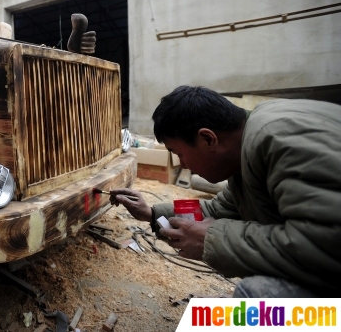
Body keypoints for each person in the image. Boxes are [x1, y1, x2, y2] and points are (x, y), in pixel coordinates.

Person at [111, 86, 341, 297]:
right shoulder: (247, 148)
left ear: (208, 139)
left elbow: (324, 245)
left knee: (256, 296)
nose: (182, 164)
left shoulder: (277, 140)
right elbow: (221, 210)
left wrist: (212, 239)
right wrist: (151, 214)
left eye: (179, 153)